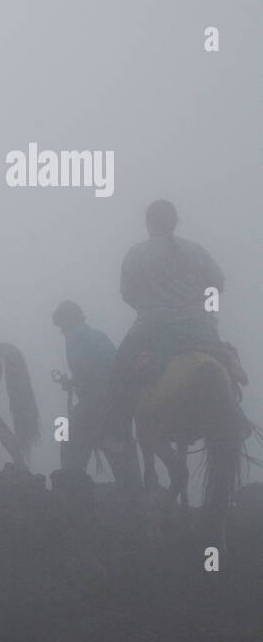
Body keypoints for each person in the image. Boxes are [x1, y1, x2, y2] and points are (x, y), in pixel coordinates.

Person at [109, 200, 225, 427]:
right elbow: (218, 285)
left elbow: (127, 294)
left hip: (151, 329)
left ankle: (116, 432)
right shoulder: (197, 250)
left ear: (148, 223)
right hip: (201, 329)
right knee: (223, 366)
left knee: (117, 375)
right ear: (174, 222)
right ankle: (238, 421)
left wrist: (150, 306)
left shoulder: (137, 253)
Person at [52, 300, 140, 491]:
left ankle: (71, 489)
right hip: (120, 402)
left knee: (69, 440)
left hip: (98, 401)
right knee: (121, 451)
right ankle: (134, 493)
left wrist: (74, 383)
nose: (61, 331)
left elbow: (87, 369)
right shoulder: (97, 335)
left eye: (61, 326)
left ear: (68, 321)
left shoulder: (75, 336)